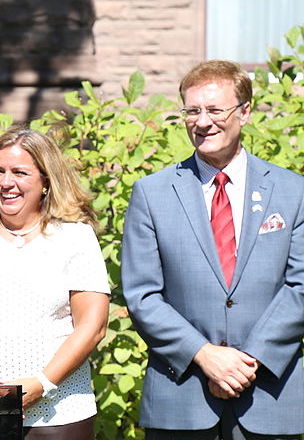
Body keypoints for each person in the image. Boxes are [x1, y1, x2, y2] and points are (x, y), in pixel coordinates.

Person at [122, 60, 304, 440]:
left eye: (215, 109)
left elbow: (300, 287)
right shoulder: (152, 194)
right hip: (182, 397)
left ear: (245, 112)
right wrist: (204, 355)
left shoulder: (293, 192)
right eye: (192, 110)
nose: (203, 122)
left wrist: (245, 362)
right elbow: (142, 295)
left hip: (269, 395)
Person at [0, 127, 110, 439]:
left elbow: (93, 327)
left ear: (46, 181)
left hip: (60, 412)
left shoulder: (75, 238)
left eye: (20, 172)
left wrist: (42, 384)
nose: (7, 183)